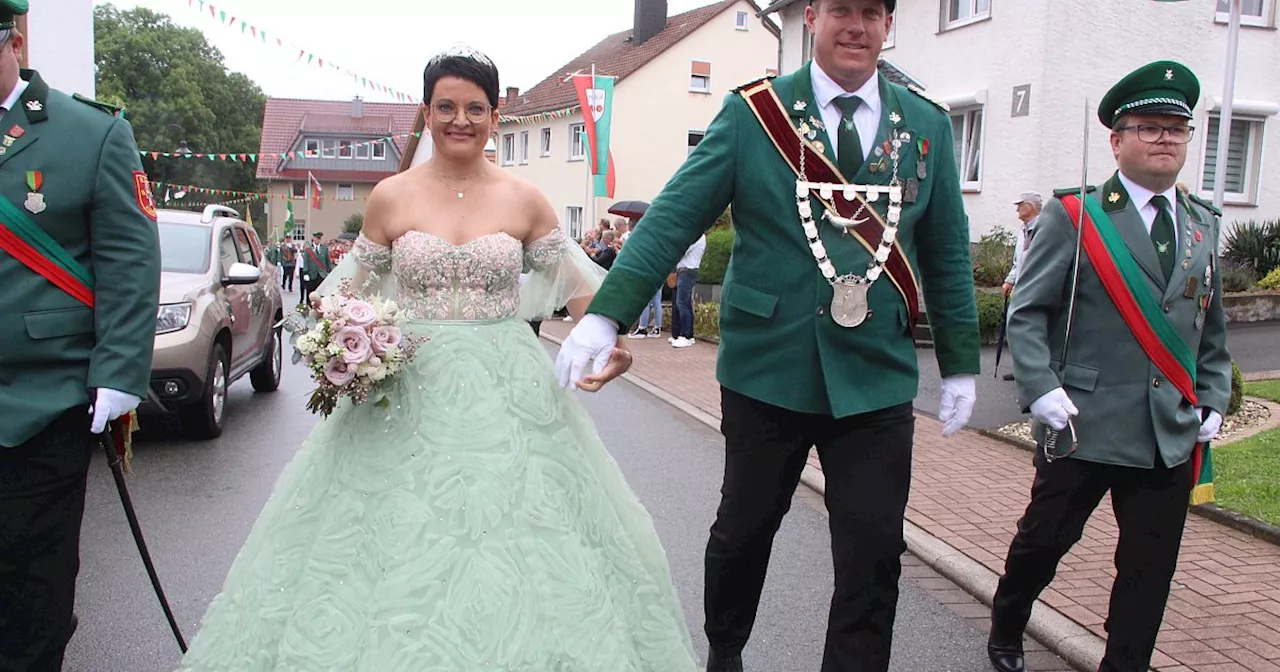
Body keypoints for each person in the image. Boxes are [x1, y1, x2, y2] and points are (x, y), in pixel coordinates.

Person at [175, 47, 701, 671]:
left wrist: (611, 342)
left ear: (495, 115)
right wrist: (345, 340)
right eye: (446, 106)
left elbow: (583, 290)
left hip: (507, 392)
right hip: (406, 391)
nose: (460, 119)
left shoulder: (526, 199)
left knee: (522, 530)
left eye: (475, 108)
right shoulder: (392, 198)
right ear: (426, 113)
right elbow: (344, 296)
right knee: (388, 531)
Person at [555, 0, 980, 669]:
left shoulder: (924, 124)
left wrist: (959, 361)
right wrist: (606, 314)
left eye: (872, 12)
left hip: (873, 374)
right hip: (768, 367)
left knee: (873, 551)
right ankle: (726, 651)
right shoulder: (757, 114)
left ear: (888, 25)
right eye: (842, 8)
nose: (855, 26)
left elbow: (949, 251)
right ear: (813, 16)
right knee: (743, 534)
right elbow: (673, 216)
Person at [987, 60, 1232, 672]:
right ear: (1117, 140)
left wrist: (1213, 398)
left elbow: (1211, 333)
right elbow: (1028, 313)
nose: (1165, 139)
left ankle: (1126, 661)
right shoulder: (1075, 217)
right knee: (1044, 541)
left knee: (1150, 568)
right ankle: (1009, 620)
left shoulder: (1202, 224)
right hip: (1083, 422)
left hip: (1166, 432)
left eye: (1176, 128)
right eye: (1148, 127)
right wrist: (1040, 389)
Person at [0, 1, 162, 668]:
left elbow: (130, 259)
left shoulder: (88, 132)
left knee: (30, 595)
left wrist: (119, 371)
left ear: (10, 38)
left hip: (41, 403)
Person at [1000, 191, 1043, 381]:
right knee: (1016, 327)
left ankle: (1034, 370)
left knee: (1032, 329)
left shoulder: (1044, 229)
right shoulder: (1023, 230)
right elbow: (1019, 261)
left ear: (1031, 207)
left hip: (1037, 288)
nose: (1017, 209)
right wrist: (1010, 280)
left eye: (1020, 205)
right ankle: (1020, 368)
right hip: (1021, 287)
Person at [669, 233, 705, 348]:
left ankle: (686, 336)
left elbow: (682, 250)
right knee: (684, 303)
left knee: (682, 303)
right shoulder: (697, 235)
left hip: (687, 270)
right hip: (685, 270)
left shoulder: (697, 236)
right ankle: (686, 334)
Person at [299, 230, 331, 303]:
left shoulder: (324, 249)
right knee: (310, 293)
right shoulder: (308, 249)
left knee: (320, 293)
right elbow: (306, 261)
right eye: (316, 238)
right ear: (313, 238)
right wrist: (305, 273)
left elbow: (327, 261)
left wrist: (329, 271)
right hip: (311, 274)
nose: (318, 240)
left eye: (319, 238)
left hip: (321, 274)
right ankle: (309, 307)